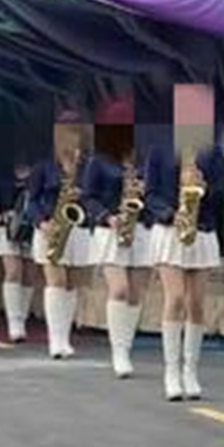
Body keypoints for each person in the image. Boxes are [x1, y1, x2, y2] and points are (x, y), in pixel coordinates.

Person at [145, 131, 222, 403]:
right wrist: (169, 213)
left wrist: (205, 187)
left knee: (196, 303)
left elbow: (222, 192)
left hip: (202, 230)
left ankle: (191, 370)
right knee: (175, 297)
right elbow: (150, 193)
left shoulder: (211, 151)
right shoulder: (160, 147)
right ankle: (171, 371)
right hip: (170, 230)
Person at [81, 98, 155, 379]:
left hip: (141, 228)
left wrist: (146, 189)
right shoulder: (98, 162)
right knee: (120, 289)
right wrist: (107, 217)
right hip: (110, 229)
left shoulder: (143, 160)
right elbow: (87, 197)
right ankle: (119, 352)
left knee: (136, 293)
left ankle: (127, 345)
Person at [27, 115, 93, 360]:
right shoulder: (43, 166)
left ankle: (65, 337)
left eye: (75, 132)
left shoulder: (88, 166)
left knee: (72, 283)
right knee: (56, 281)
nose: (71, 138)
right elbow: (31, 201)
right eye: (66, 132)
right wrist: (42, 222)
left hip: (78, 228)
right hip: (50, 227)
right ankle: (55, 340)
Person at [0, 156, 36, 342]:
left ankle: (22, 318)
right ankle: (14, 323)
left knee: (29, 275)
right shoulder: (1, 178)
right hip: (8, 231)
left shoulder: (39, 176)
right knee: (13, 272)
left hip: (33, 230)